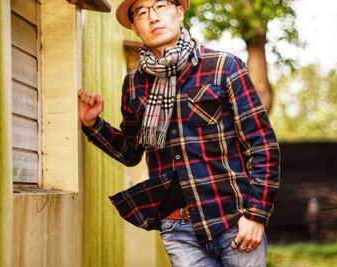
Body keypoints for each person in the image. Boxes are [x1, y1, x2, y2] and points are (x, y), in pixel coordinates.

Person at [78, 0, 280, 266]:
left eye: (160, 5)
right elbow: (130, 152)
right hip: (177, 227)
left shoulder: (224, 67)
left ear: (180, 11)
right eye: (141, 12)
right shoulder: (134, 84)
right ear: (135, 28)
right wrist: (93, 123)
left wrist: (256, 215)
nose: (152, 17)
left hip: (232, 219)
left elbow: (262, 145)